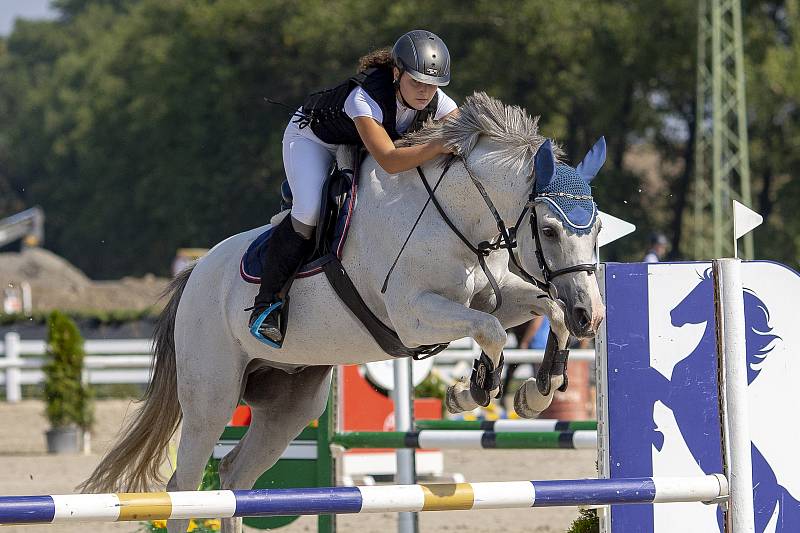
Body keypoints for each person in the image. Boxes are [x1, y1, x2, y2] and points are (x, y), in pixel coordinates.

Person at [249, 30, 459, 346]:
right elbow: (389, 160)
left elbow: (463, 134)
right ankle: (267, 305)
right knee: (309, 211)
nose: (424, 92)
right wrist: (440, 143)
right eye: (416, 82)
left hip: (359, 145)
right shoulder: (364, 98)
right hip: (313, 139)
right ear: (396, 72)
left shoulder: (437, 100)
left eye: (432, 85)